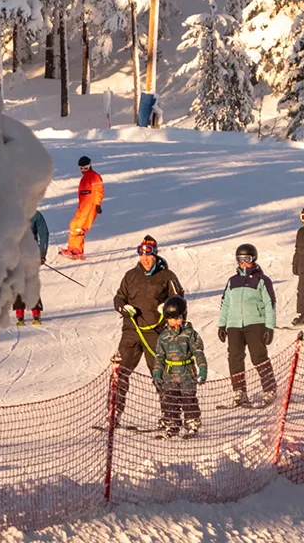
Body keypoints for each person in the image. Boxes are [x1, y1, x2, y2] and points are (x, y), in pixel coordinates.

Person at [111, 235, 184, 427]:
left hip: (156, 332)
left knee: (160, 374)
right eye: (141, 254)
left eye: (148, 254)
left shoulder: (167, 276)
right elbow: (119, 298)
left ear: (155, 254)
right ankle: (113, 414)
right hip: (132, 330)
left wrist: (168, 308)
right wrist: (123, 307)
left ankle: (170, 417)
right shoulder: (130, 276)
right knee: (120, 372)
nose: (145, 258)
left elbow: (179, 300)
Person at [217, 243, 277, 408]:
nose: (243, 263)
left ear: (254, 259)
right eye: (240, 259)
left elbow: (269, 304)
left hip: (255, 323)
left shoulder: (262, 280)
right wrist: (222, 325)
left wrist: (269, 327)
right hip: (234, 325)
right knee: (234, 358)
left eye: (247, 259)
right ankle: (239, 392)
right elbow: (225, 303)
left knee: (258, 357)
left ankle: (269, 389)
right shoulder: (232, 281)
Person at [152, 296, 207, 439]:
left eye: (177, 318)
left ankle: (192, 424)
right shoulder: (164, 336)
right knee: (170, 400)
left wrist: (202, 369)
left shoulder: (189, 334)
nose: (174, 322)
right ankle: (172, 425)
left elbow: (198, 353)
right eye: (170, 319)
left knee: (188, 400)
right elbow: (159, 357)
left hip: (187, 373)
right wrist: (157, 373)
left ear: (183, 316)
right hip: (169, 375)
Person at [59, 156, 103, 260]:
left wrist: (97, 204)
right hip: (83, 207)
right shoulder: (84, 178)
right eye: (81, 168)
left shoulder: (94, 176)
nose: (83, 170)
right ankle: (72, 248)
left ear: (90, 166)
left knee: (79, 227)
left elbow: (99, 190)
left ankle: (77, 251)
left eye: (85, 168)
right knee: (73, 225)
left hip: (90, 207)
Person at [13, 210, 49, 326]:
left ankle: (36, 311)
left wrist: (42, 253)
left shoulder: (36, 215)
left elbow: (44, 234)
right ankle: (19, 312)